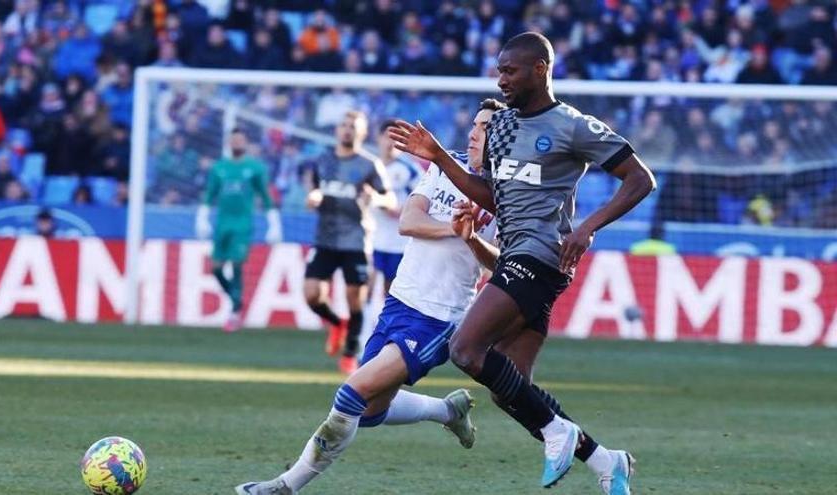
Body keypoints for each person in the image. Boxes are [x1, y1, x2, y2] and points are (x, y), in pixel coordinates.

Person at [389, 32, 656, 492]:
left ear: (540, 68)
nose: (502, 78)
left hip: (542, 256)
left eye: (510, 70)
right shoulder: (506, 126)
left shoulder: (573, 125)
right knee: (509, 387)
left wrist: (588, 225)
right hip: (518, 257)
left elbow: (640, 179)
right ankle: (605, 461)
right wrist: (437, 157)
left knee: (466, 351)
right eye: (498, 70)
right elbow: (491, 193)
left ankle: (557, 432)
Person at [235, 99, 502, 495]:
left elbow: (499, 266)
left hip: (439, 317)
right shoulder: (449, 167)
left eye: (485, 127)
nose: (473, 131)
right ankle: (448, 410)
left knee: (351, 394)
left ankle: (283, 486)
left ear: (505, 136)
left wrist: (472, 237)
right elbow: (409, 221)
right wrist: (454, 228)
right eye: (475, 124)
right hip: (400, 302)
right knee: (373, 412)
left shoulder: (509, 193)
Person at [303, 110, 394, 374]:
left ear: (362, 133)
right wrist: (313, 197)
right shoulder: (322, 160)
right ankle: (337, 323)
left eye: (353, 126)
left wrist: (374, 200)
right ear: (336, 130)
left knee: (355, 298)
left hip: (356, 240)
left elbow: (390, 200)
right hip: (325, 238)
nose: (347, 130)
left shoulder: (369, 165)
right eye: (343, 125)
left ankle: (350, 351)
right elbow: (315, 188)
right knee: (311, 295)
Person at [195, 128, 282, 332]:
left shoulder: (255, 168)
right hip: (222, 224)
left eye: (240, 140)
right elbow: (209, 194)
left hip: (242, 225)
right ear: (228, 142)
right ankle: (236, 300)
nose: (236, 143)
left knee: (236, 265)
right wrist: (202, 218)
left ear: (246, 143)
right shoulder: (219, 168)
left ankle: (234, 312)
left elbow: (266, 196)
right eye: (233, 140)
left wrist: (274, 224)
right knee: (216, 268)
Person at [370, 119, 421, 295]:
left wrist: (395, 210)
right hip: (372, 238)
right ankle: (364, 321)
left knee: (391, 291)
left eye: (397, 137)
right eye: (387, 136)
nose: (391, 142)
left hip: (399, 242)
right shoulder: (370, 166)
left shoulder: (411, 170)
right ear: (378, 138)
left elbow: (422, 203)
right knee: (365, 285)